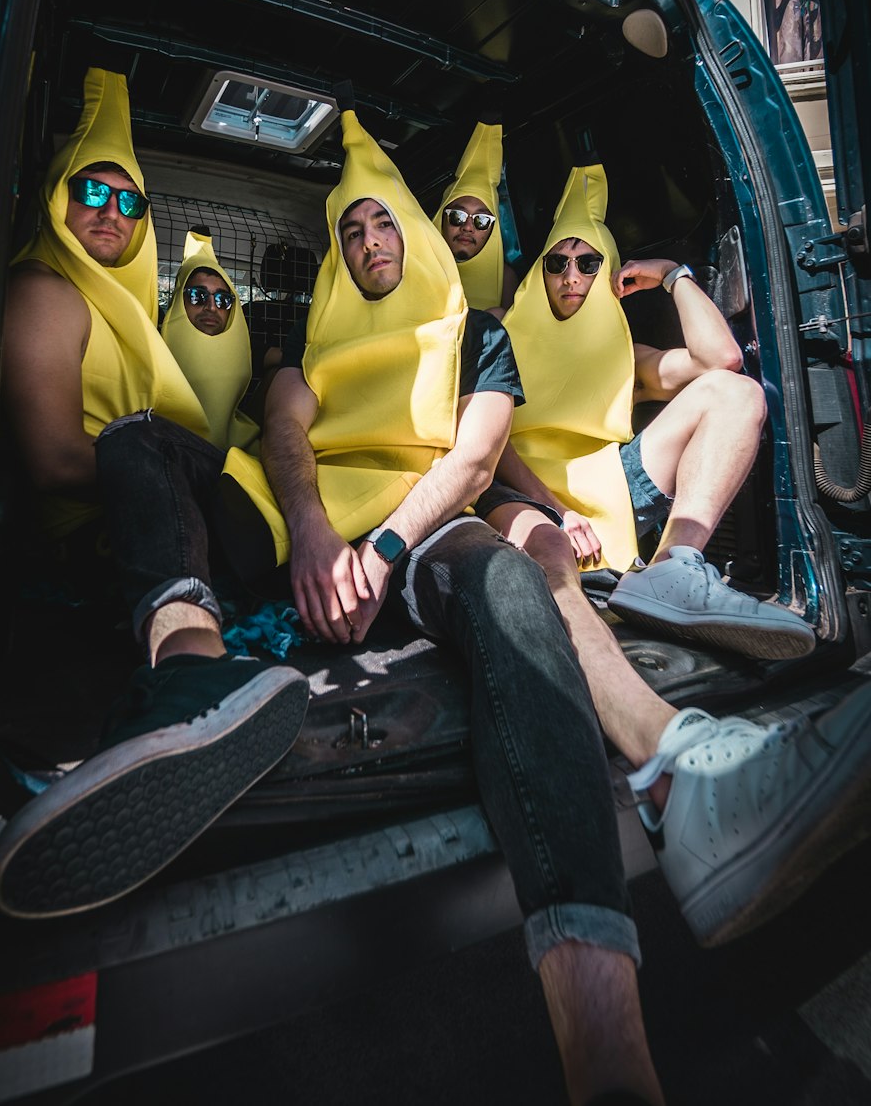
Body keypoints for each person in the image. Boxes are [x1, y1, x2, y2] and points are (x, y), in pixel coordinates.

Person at [220, 112, 871, 1105]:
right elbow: (284, 430)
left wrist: (398, 542)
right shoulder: (312, 350)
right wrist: (311, 531)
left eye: (381, 222)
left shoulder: (478, 335)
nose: (367, 242)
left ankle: (611, 1048)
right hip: (341, 539)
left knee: (516, 580)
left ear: (414, 230)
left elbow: (479, 457)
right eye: (348, 231)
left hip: (440, 526)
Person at [0, 67, 308, 920]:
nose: (111, 212)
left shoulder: (113, 305)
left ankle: (189, 678)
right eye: (91, 189)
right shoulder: (44, 290)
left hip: (185, 515)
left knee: (141, 437)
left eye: (131, 204)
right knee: (135, 438)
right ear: (56, 196)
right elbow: (55, 460)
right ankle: (186, 694)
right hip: (117, 532)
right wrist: (154, 469)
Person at [489, 162, 816, 661]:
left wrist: (672, 275)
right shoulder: (500, 332)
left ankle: (672, 567)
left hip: (612, 487)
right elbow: (490, 442)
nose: (571, 276)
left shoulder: (628, 355)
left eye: (588, 262)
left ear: (609, 272)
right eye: (557, 263)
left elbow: (721, 360)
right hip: (518, 494)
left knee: (737, 392)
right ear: (541, 272)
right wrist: (556, 508)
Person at [161, 227, 259, 450]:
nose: (212, 307)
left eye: (224, 300)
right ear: (178, 301)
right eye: (198, 296)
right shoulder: (148, 352)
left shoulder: (255, 352)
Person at [433, 120, 519, 310]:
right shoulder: (413, 264)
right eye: (458, 216)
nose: (467, 227)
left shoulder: (504, 279)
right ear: (441, 218)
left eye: (481, 220)